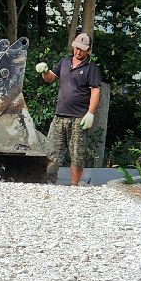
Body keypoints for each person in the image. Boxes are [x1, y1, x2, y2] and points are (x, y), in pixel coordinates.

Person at [36, 32, 103, 186]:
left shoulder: (91, 68)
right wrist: (45, 71)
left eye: (82, 49)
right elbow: (50, 78)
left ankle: (74, 186)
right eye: (76, 48)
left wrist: (90, 113)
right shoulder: (64, 62)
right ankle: (48, 184)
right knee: (51, 152)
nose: (78, 52)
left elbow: (95, 91)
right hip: (60, 116)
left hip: (79, 118)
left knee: (77, 155)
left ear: (88, 51)